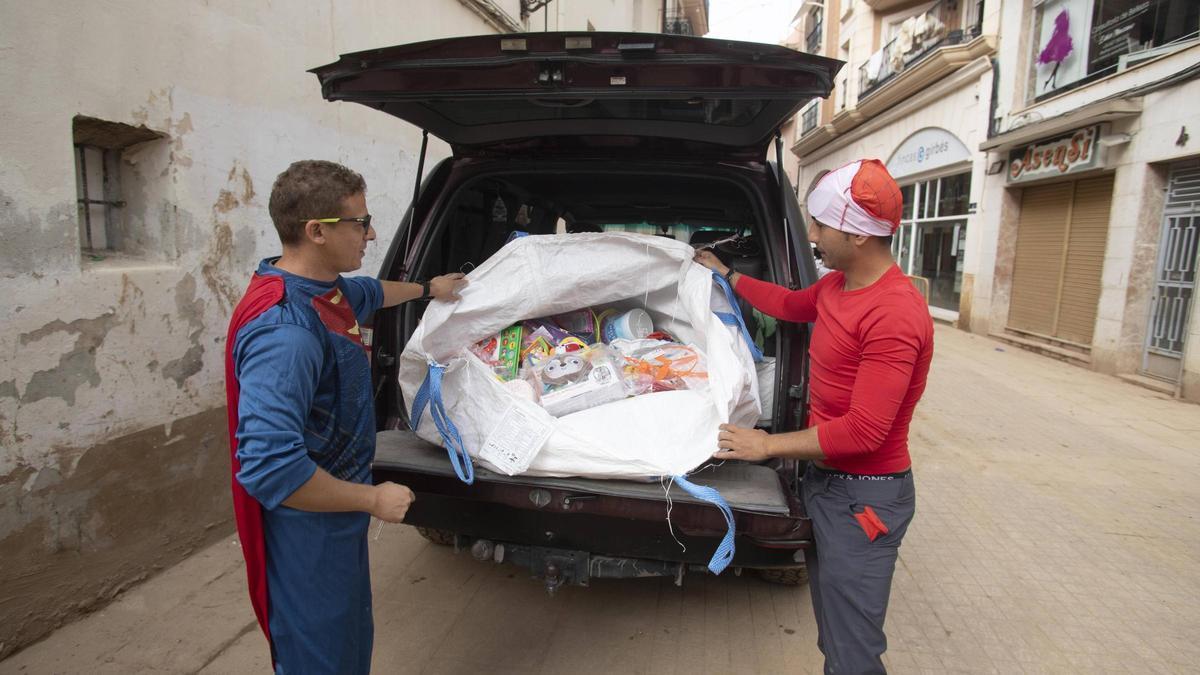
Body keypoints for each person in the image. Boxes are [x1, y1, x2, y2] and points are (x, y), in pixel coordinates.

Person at [223, 160, 467, 674]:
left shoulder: (325, 290)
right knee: (321, 654)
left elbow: (373, 294)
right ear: (316, 232)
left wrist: (431, 289)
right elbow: (269, 467)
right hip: (307, 524)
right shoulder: (285, 333)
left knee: (348, 638)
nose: (371, 233)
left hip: (336, 511)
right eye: (359, 222)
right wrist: (372, 498)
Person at [695, 159, 933, 674]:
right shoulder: (837, 287)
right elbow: (786, 303)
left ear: (858, 235)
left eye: (821, 225)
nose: (813, 235)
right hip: (829, 483)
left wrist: (768, 445)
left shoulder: (893, 313)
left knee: (852, 651)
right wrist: (729, 276)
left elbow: (866, 431)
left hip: (865, 497)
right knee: (835, 632)